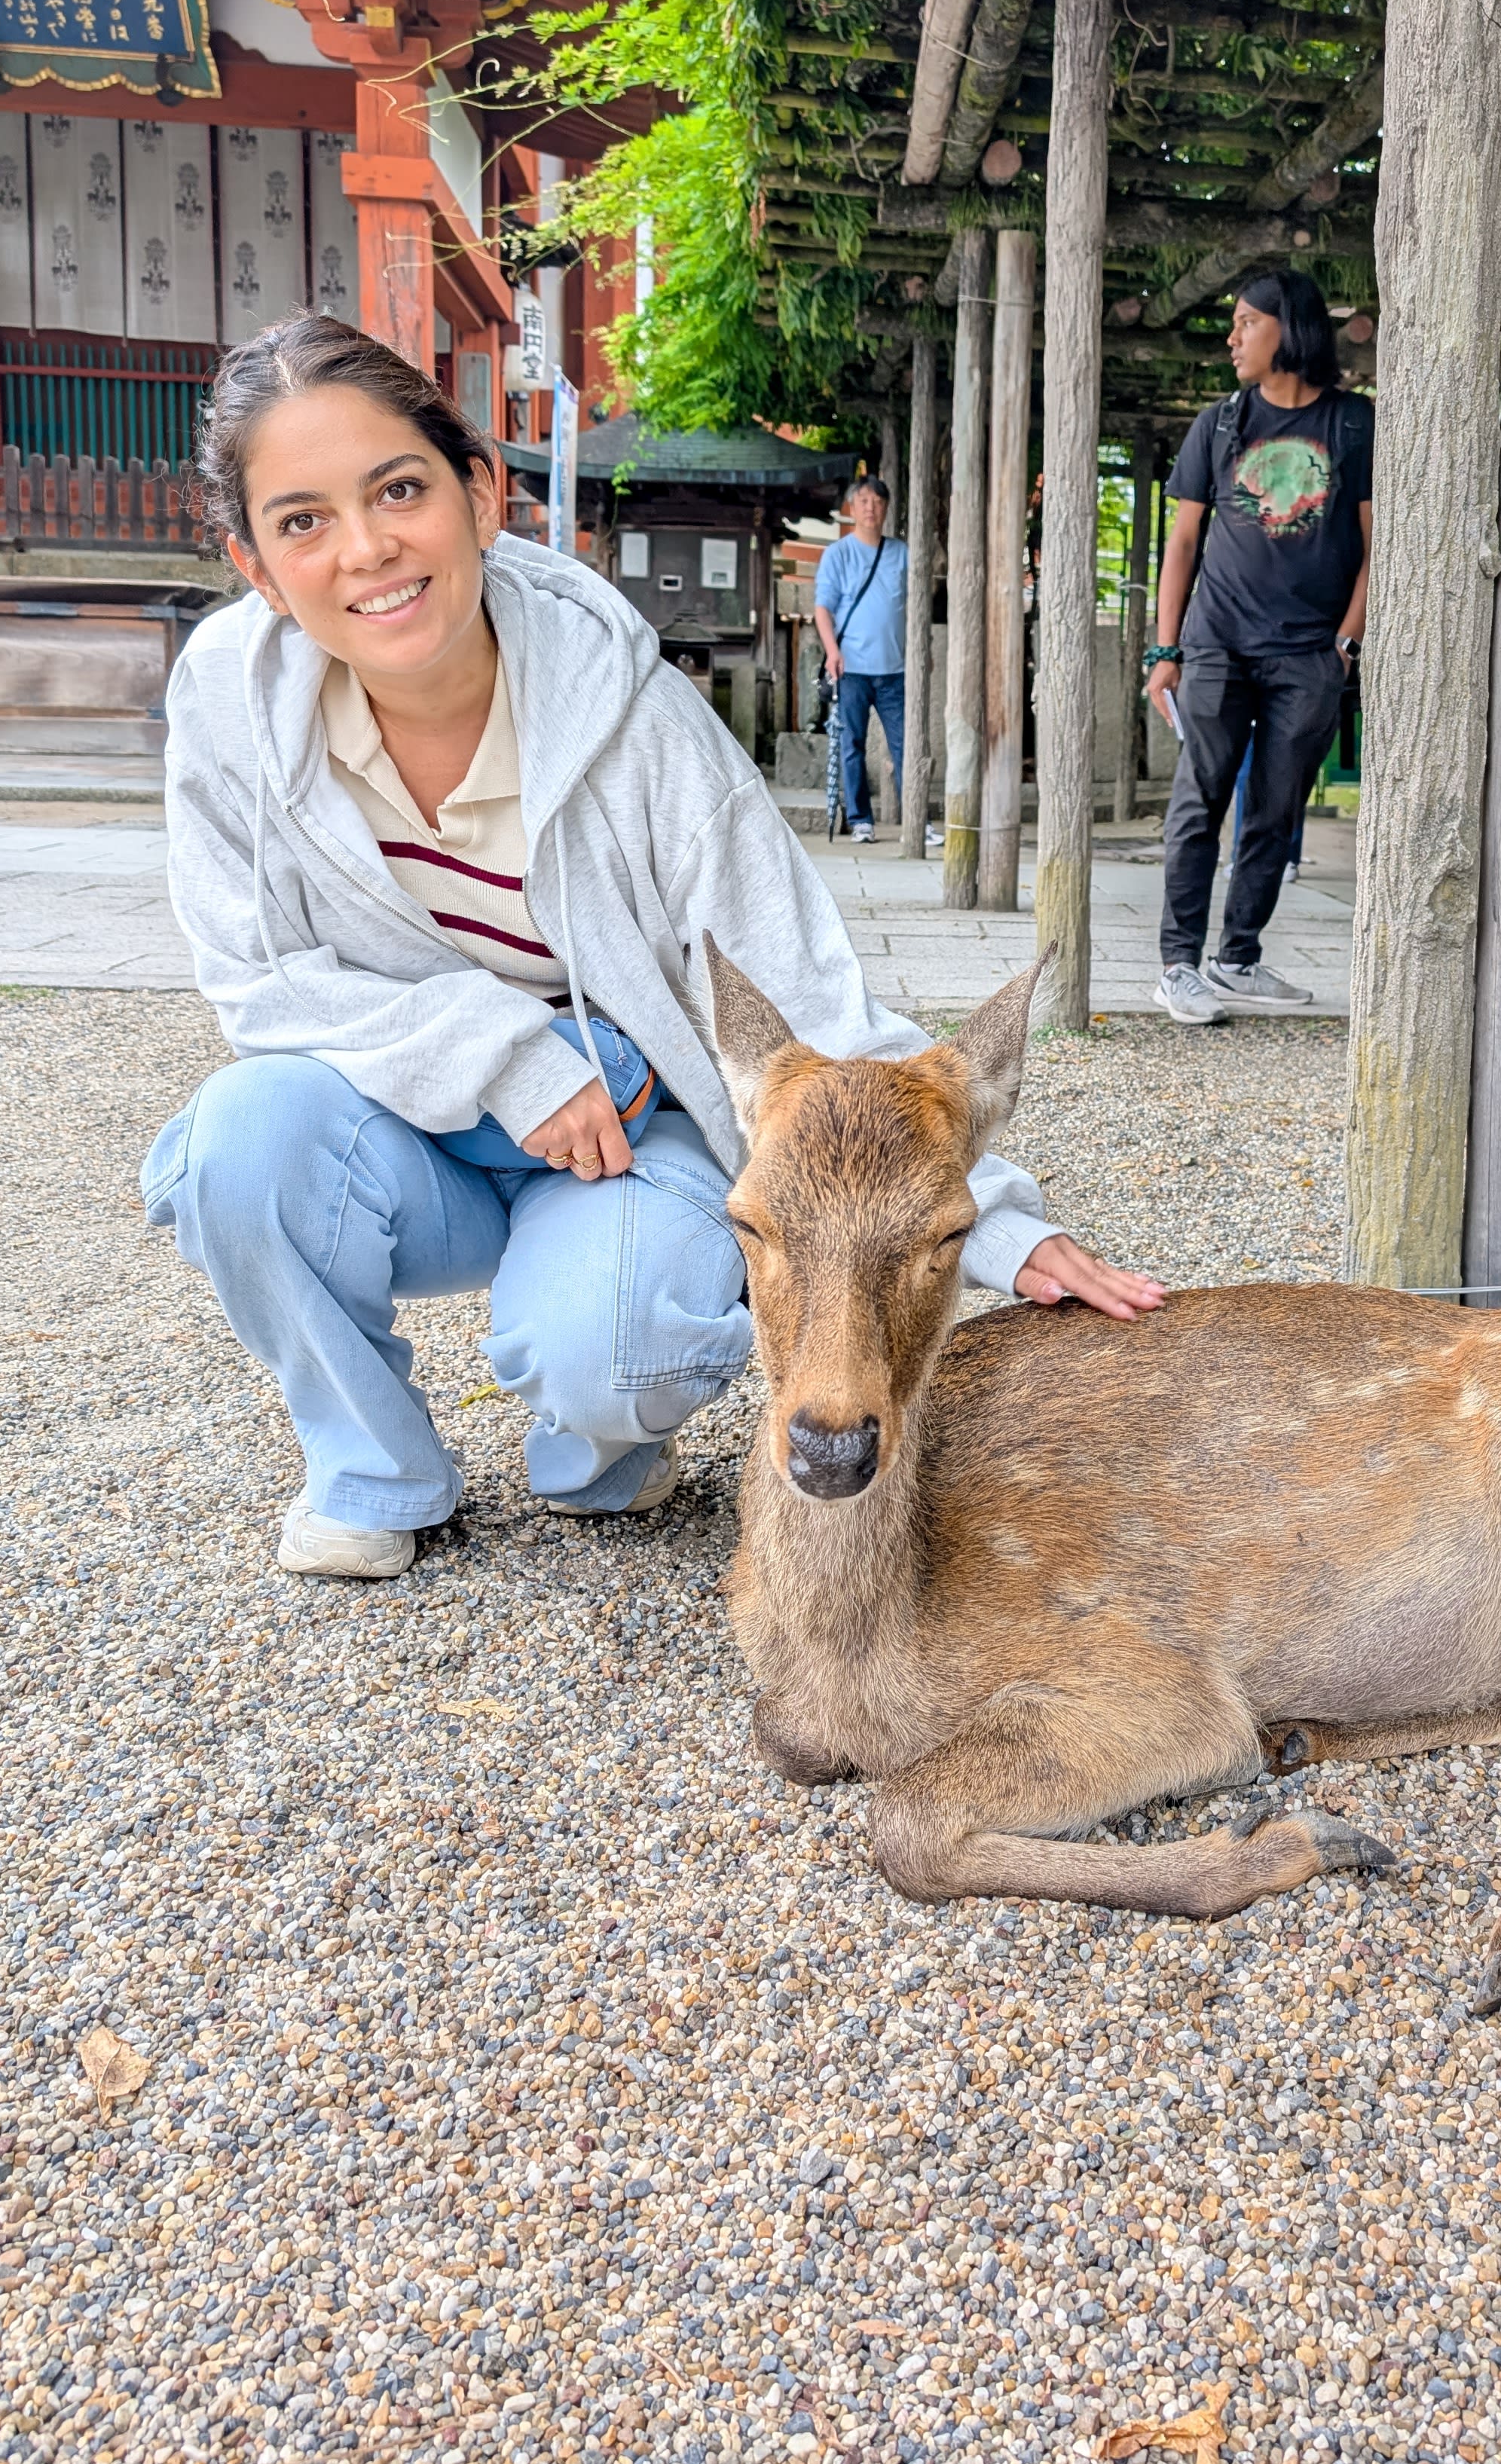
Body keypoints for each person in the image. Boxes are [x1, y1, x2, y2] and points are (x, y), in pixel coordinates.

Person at [141, 316, 1157, 1582]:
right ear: (252, 562)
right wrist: (509, 1058)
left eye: (399, 489)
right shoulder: (227, 705)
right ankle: (373, 1466)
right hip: (406, 1123)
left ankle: (597, 1437)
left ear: (480, 491)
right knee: (234, 1148)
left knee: (617, 1347)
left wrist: (987, 1219)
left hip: (632, 1125)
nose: (365, 550)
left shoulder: (631, 713)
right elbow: (256, 979)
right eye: (302, 522)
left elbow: (799, 999)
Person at [1145, 271, 1371, 1025]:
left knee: (1276, 813)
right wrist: (1164, 650)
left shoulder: (1352, 425)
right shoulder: (1219, 423)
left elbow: (1381, 545)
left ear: (1290, 328)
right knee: (1199, 803)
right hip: (1218, 645)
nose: (1234, 337)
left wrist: (1346, 641)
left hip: (1308, 655)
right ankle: (1178, 965)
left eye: (1247, 322)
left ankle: (1237, 957)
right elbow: (1182, 542)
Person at [812, 473, 906, 843]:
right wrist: (832, 651)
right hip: (850, 668)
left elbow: (914, 608)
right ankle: (860, 819)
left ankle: (915, 819)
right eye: (864, 500)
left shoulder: (902, 553)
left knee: (905, 746)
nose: (871, 507)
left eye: (878, 501)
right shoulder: (838, 554)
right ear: (853, 507)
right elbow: (823, 609)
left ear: (885, 508)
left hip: (896, 669)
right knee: (851, 745)